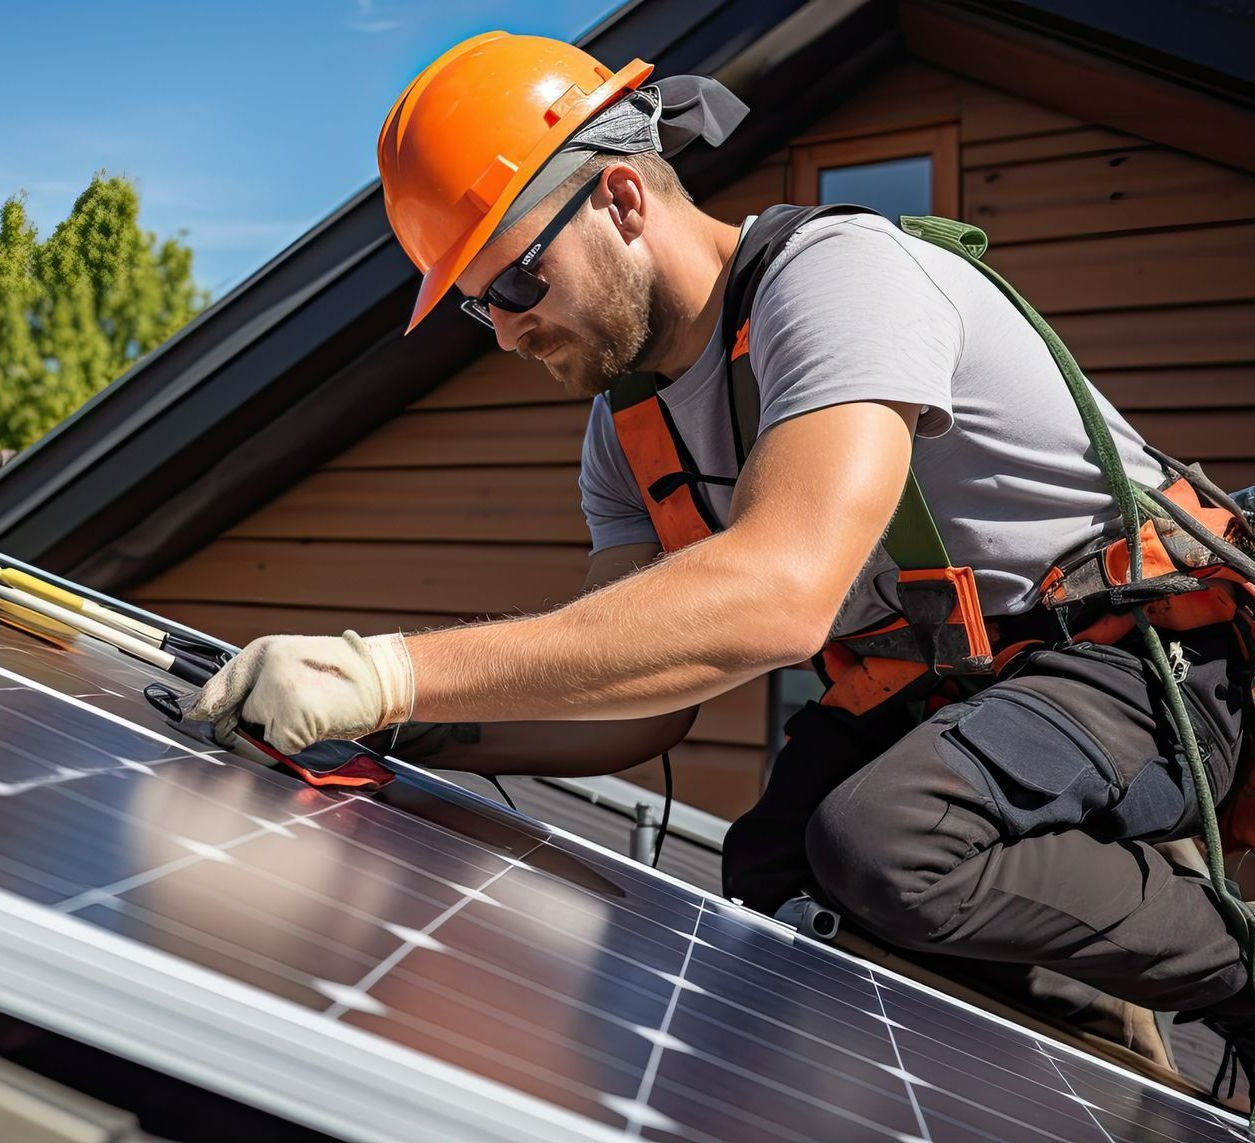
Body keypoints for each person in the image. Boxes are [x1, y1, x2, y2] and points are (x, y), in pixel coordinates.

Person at [193, 32, 1255, 1082]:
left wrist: (388, 666)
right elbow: (631, 698)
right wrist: (380, 718)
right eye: (476, 307)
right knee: (772, 868)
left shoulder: (838, 279)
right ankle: (1086, 1075)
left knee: (884, 843)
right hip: (955, 700)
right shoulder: (628, 437)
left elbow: (780, 596)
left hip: (1138, 659)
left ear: (619, 199)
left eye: (516, 283)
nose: (506, 333)